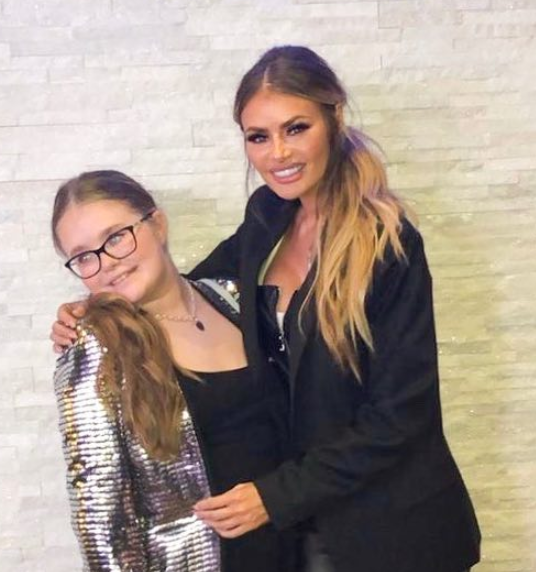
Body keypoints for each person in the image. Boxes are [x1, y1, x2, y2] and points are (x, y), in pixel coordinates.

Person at [51, 46, 481, 572]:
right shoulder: (268, 217)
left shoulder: (387, 246)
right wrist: (91, 306)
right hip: (303, 536)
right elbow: (182, 288)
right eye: (258, 136)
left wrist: (274, 496)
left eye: (295, 128)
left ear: (334, 118)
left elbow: (402, 417)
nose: (278, 153)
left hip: (392, 530)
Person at [51, 170, 294, 572]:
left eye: (116, 237)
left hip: (292, 552)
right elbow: (102, 526)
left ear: (158, 224)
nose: (106, 263)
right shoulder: (95, 348)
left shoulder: (230, 298)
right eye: (84, 257)